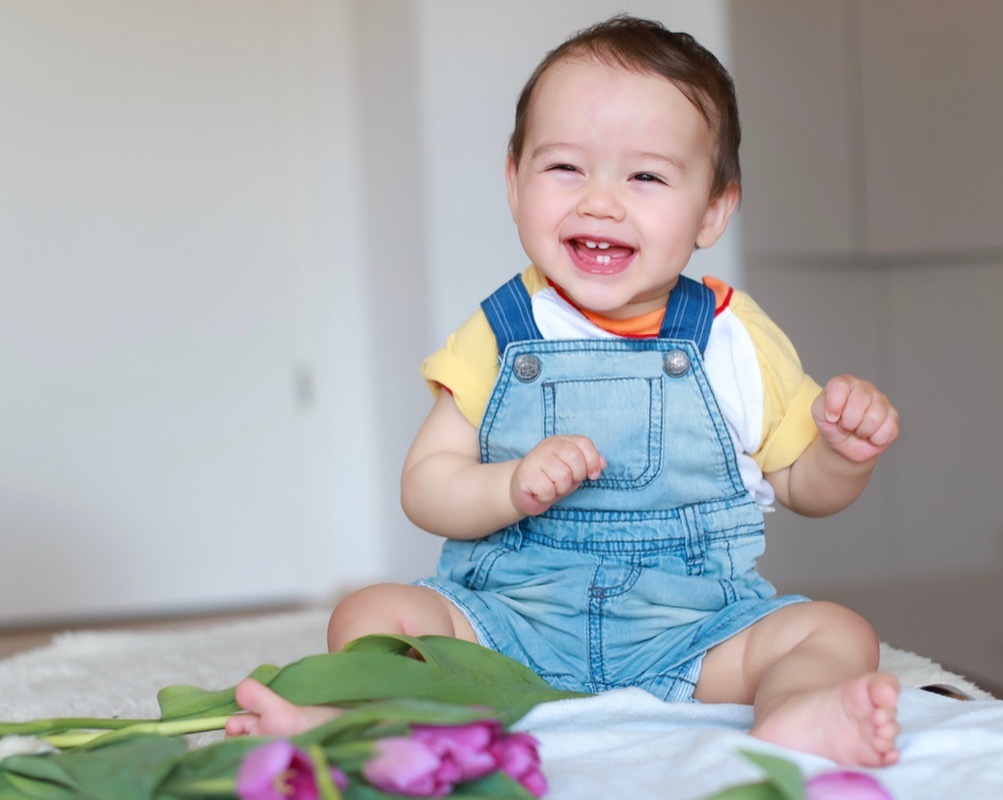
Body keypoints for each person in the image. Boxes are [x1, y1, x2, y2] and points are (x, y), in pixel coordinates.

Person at [228, 14, 901, 768]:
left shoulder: (732, 335)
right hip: (507, 625)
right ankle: (363, 721)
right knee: (375, 613)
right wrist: (510, 485)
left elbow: (802, 484)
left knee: (836, 633)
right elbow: (427, 487)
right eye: (565, 169)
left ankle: (798, 713)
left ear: (713, 208)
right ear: (514, 181)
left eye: (645, 176)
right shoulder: (501, 331)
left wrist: (845, 455)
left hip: (692, 628)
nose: (600, 202)